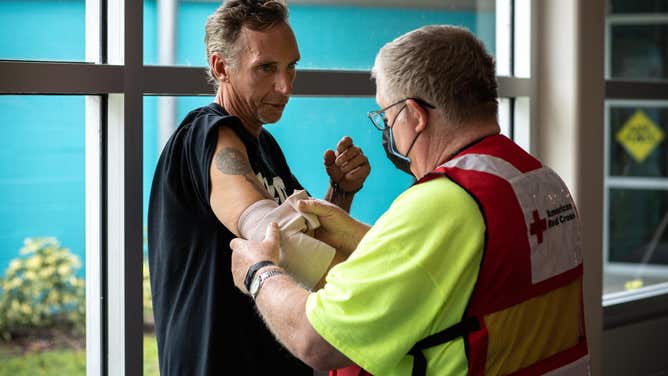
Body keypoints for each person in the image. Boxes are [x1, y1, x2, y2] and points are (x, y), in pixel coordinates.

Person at [229, 25, 590, 375]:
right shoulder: (535, 179)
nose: (389, 135)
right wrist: (366, 238)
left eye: (387, 117)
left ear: (415, 116)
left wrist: (259, 271)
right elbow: (471, 275)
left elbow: (316, 341)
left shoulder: (447, 203)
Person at [147, 1, 370, 375]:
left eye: (291, 67)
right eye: (266, 68)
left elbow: (304, 244)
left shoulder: (265, 147)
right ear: (222, 67)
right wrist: (395, 276)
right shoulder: (209, 135)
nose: (285, 87)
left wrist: (339, 194)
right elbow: (264, 228)